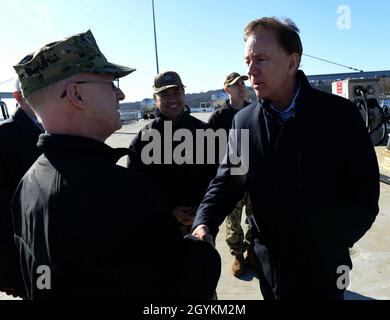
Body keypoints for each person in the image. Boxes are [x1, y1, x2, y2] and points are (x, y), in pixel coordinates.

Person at [12, 30, 220, 300]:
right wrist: (201, 245)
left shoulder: (27, 186)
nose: (120, 94)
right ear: (77, 94)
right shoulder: (116, 192)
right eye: (111, 83)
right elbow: (183, 285)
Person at [192, 17, 380, 300]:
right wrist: (204, 223)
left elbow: (365, 196)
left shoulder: (340, 116)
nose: (251, 71)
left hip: (324, 269)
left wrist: (331, 242)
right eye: (247, 61)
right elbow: (228, 181)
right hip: (270, 268)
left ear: (292, 62)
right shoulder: (244, 121)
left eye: (261, 60)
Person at [128, 71, 216, 233]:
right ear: (155, 100)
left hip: (201, 224)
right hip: (161, 226)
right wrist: (168, 211)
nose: (172, 98)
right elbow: (136, 188)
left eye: (177, 92)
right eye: (165, 94)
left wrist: (202, 209)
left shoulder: (204, 132)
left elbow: (217, 178)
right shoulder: (143, 139)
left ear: (184, 94)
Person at [0, 79, 44, 297]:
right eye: (35, 89)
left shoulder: (61, 130)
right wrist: (8, 272)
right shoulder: (4, 138)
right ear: (18, 98)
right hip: (29, 262)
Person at [207, 72, 253, 277]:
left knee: (256, 218)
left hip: (254, 177)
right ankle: (238, 255)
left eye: (243, 83)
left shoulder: (255, 109)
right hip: (232, 179)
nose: (242, 87)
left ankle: (253, 251)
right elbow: (207, 149)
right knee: (232, 222)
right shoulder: (218, 117)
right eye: (236, 85)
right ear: (227, 90)